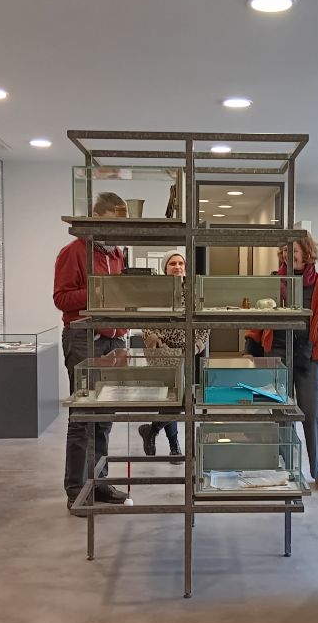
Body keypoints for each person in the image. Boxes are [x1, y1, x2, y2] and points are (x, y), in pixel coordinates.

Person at [54, 191, 129, 507]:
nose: (121, 230)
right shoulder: (74, 251)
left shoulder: (117, 255)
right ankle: (76, 490)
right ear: (98, 219)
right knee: (84, 416)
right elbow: (62, 298)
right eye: (115, 222)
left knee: (106, 417)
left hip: (114, 340)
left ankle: (99, 482)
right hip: (84, 338)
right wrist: (100, 292)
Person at [246, 235, 318, 491]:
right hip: (275, 354)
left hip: (309, 357)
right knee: (280, 414)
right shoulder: (273, 281)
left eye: (294, 250)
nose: (289, 255)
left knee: (312, 415)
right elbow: (257, 317)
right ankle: (286, 469)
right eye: (285, 251)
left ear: (307, 252)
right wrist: (250, 351)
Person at [138, 249, 209, 458]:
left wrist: (197, 345)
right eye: (172, 264)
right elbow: (144, 318)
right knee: (172, 399)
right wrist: (155, 341)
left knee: (183, 400)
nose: (177, 267)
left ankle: (151, 430)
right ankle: (174, 445)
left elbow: (204, 322)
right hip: (161, 351)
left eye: (180, 263)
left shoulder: (194, 290)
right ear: (165, 268)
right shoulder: (155, 291)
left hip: (186, 352)